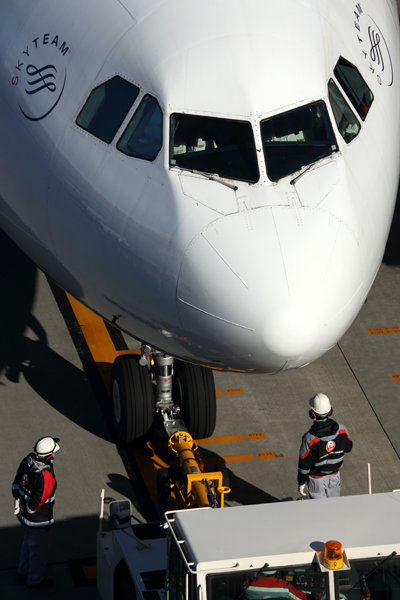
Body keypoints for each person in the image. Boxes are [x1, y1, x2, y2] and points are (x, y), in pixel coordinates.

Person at [12, 436, 60, 588]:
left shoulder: (27, 461)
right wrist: (29, 510)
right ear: (49, 456)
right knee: (38, 552)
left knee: (27, 544)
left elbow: (16, 482)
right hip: (38, 520)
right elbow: (40, 499)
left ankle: (22, 572)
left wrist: (21, 505)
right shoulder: (45, 476)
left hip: (24, 516)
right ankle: (34, 580)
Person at [298, 394, 352, 499]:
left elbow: (304, 463)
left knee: (319, 511)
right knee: (334, 508)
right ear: (330, 411)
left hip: (316, 479)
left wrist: (301, 482)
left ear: (312, 413)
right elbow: (349, 447)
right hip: (334, 477)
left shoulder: (309, 438)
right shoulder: (342, 429)